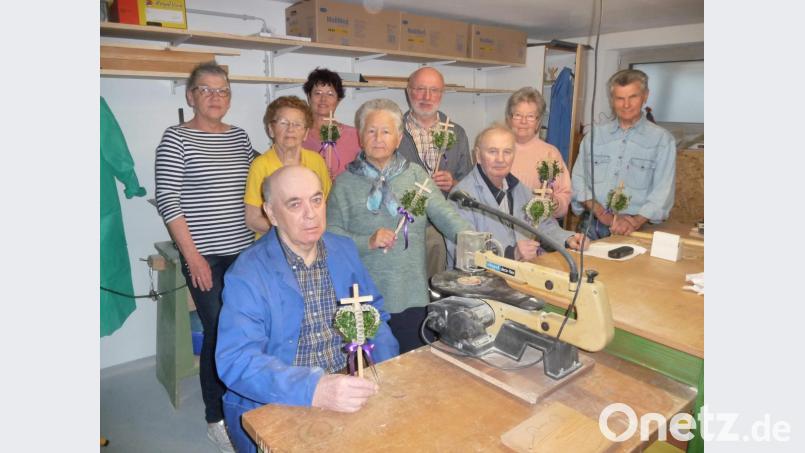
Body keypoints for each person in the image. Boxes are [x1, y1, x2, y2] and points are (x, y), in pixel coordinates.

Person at [216, 166, 399, 453]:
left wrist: (385, 369)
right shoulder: (247, 273)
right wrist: (315, 389)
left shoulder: (344, 250)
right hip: (281, 396)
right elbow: (236, 359)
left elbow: (373, 311)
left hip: (349, 379)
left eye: (316, 200)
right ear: (272, 214)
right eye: (294, 204)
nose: (311, 213)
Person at [155, 62, 256, 453]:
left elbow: (263, 178)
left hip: (244, 252)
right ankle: (216, 417)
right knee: (218, 334)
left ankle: (247, 401)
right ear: (191, 95)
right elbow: (168, 200)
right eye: (207, 90)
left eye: (223, 91)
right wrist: (192, 258)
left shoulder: (240, 138)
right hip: (205, 258)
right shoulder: (176, 138)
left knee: (249, 330)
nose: (216, 97)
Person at [327, 98, 472, 354]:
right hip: (363, 297)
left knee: (413, 372)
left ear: (398, 137)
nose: (378, 138)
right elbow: (331, 236)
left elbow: (446, 216)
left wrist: (475, 241)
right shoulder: (344, 183)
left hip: (411, 295)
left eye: (386, 131)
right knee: (371, 375)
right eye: (371, 131)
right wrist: (367, 241)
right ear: (360, 136)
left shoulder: (415, 176)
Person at [448, 124, 587, 265]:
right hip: (480, 282)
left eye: (507, 152)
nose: (500, 159)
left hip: (518, 275)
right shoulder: (461, 197)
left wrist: (567, 238)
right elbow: (464, 254)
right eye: (492, 151)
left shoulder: (518, 188)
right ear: (478, 155)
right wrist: (511, 253)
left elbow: (543, 224)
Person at [571, 69, 676, 239]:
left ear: (645, 96)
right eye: (620, 98)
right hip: (593, 223)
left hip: (637, 229)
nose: (626, 105)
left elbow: (663, 191)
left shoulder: (662, 140)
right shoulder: (594, 137)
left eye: (632, 97)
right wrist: (603, 214)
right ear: (612, 100)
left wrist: (635, 221)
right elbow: (578, 180)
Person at [398, 66, 474, 280]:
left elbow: (469, 186)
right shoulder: (393, 131)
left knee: (436, 286)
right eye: (420, 89)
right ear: (408, 91)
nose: (427, 97)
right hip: (403, 224)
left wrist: (454, 184)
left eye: (434, 90)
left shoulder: (456, 133)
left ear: (442, 94)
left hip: (439, 229)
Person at [244, 95, 331, 237]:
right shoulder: (260, 165)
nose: (290, 129)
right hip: (274, 247)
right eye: (283, 123)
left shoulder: (317, 161)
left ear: (306, 133)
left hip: (312, 243)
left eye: (297, 124)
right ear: (271, 129)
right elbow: (252, 220)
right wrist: (291, 234)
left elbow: (326, 207)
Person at [505, 87, 572, 219]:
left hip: (538, 228)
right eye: (518, 115)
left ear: (538, 122)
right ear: (509, 119)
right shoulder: (495, 148)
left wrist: (553, 202)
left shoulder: (550, 154)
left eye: (530, 116)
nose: (523, 121)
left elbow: (565, 196)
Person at [302, 68, 362, 179]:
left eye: (330, 94)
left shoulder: (355, 136)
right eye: (318, 93)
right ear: (309, 97)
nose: (323, 99)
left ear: (338, 100)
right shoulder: (299, 135)